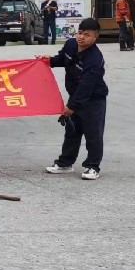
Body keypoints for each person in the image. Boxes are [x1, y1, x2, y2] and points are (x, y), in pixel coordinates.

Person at [44, 18, 109, 181]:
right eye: (80, 33)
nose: (81, 37)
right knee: (72, 132)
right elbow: (61, 59)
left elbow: (87, 86)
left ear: (95, 37)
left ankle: (92, 166)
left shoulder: (94, 58)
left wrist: (71, 106)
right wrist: (48, 61)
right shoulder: (71, 45)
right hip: (75, 96)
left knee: (93, 134)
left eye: (87, 35)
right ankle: (65, 163)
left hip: (93, 100)